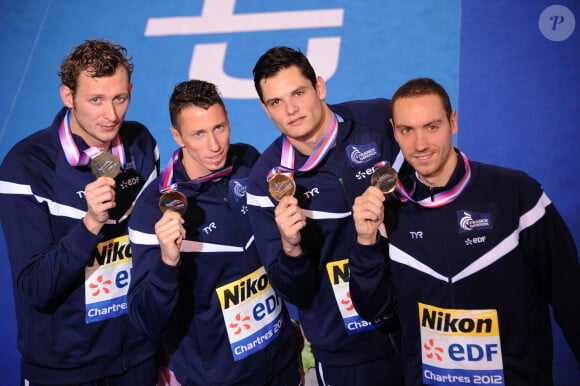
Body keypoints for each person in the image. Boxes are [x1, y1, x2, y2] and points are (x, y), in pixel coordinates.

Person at [349, 77, 580, 385]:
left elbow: (570, 296)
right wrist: (366, 242)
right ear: (394, 130)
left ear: (453, 122)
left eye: (432, 127)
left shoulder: (516, 194)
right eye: (407, 130)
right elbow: (374, 310)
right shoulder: (387, 210)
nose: (420, 145)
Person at [0, 39, 160, 385]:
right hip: (66, 370)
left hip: (138, 358)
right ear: (68, 97)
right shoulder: (26, 166)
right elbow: (35, 288)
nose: (111, 115)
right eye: (96, 100)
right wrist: (90, 225)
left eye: (120, 98)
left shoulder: (142, 144)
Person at [246, 46, 405, 386]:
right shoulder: (265, 182)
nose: (290, 110)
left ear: (319, 87)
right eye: (276, 102)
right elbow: (295, 293)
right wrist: (291, 246)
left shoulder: (379, 120)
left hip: (416, 326)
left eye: (298, 93)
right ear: (264, 108)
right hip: (348, 354)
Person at [127, 79, 302, 386]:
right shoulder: (153, 209)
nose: (214, 145)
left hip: (282, 363)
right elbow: (145, 321)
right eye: (198, 134)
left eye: (219, 128)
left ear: (228, 121)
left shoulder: (249, 162)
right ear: (177, 137)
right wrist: (168, 263)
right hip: (220, 378)